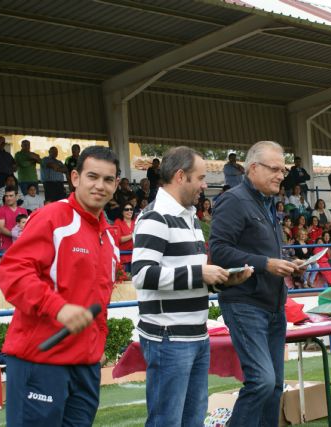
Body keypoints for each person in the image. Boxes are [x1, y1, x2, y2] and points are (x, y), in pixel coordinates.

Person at [0, 146, 121, 427]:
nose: (100, 186)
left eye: (108, 179)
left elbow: (99, 299)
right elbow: (12, 273)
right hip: (41, 360)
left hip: (85, 366)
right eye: (92, 177)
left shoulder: (109, 236)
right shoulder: (52, 218)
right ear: (75, 178)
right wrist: (59, 308)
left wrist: (97, 343)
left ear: (115, 185)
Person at [132, 146, 251, 426]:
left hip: (196, 335)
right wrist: (200, 273)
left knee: (193, 420)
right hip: (168, 337)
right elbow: (142, 275)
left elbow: (190, 278)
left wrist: (224, 281)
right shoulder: (155, 217)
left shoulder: (191, 218)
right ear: (180, 176)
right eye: (199, 178)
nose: (204, 184)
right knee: (167, 421)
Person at [209, 141, 303, 427]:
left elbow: (260, 251)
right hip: (245, 303)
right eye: (275, 169)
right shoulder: (234, 200)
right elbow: (219, 251)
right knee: (262, 381)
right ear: (253, 168)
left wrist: (286, 263)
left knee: (273, 385)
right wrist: (267, 263)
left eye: (282, 169)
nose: (280, 175)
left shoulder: (266, 201)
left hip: (273, 304)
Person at [0, 186, 28, 253]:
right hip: (6, 247)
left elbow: (27, 227)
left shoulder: (23, 210)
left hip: (21, 247)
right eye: (6, 196)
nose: (8, 198)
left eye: (11, 196)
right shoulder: (0, 210)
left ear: (17, 196)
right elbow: (0, 229)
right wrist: (16, 235)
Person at [115, 202, 135, 273]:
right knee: (125, 281)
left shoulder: (136, 222)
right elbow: (119, 239)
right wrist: (133, 235)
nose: (129, 211)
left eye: (131, 209)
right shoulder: (118, 222)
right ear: (122, 212)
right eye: (127, 209)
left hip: (135, 257)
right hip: (123, 257)